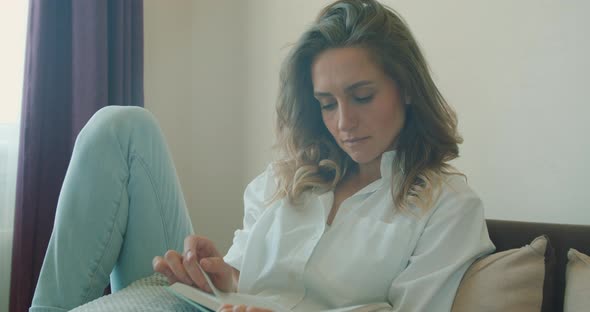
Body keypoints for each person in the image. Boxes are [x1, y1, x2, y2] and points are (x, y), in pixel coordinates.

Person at [31, 1, 495, 311]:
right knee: (122, 126)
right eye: (327, 104)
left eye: (362, 96)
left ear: (407, 88)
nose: (343, 122)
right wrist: (215, 273)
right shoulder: (290, 177)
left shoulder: (446, 207)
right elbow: (242, 282)